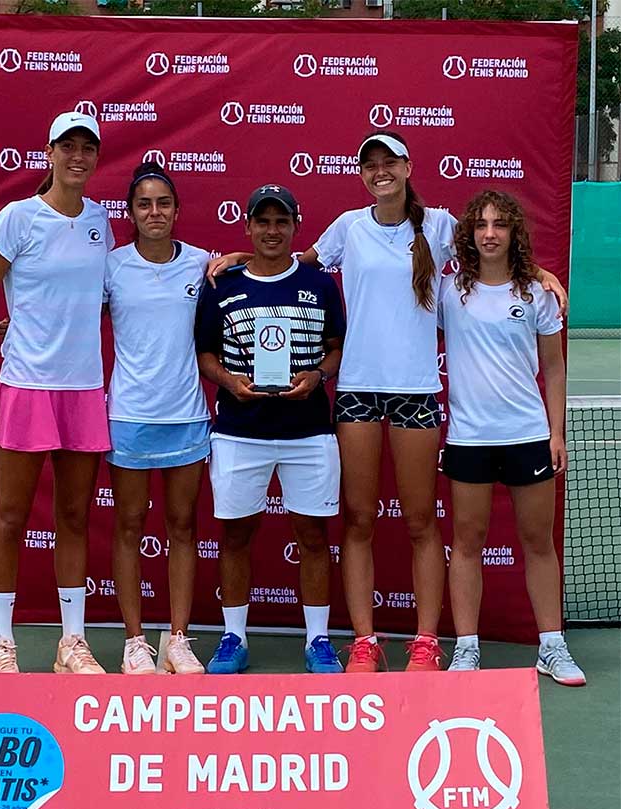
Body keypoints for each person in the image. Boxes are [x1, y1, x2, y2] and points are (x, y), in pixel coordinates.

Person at [208, 131, 568, 674]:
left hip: (416, 392)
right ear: (362, 174)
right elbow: (290, 262)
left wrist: (538, 272)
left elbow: (493, 251)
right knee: (358, 519)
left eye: (389, 162)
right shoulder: (348, 227)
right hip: (356, 390)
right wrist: (239, 257)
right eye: (370, 164)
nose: (380, 171)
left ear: (406, 168)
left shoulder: (441, 225)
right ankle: (363, 641)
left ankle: (426, 642)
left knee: (422, 521)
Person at [0, 111, 113, 674]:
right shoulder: (16, 218)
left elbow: (94, 299)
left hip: (82, 389)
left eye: (87, 148)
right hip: (24, 386)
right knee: (10, 516)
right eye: (68, 146)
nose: (78, 156)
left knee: (74, 516)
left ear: (96, 157)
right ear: (48, 153)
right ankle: (3, 641)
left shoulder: (101, 222)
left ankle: (71, 643)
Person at [196, 185, 346, 674]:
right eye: (263, 221)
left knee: (313, 536)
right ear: (248, 227)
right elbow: (206, 356)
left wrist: (319, 376)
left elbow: (335, 347)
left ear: (295, 227)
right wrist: (229, 383)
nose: (272, 230)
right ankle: (233, 637)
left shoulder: (321, 284)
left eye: (281, 222)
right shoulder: (221, 286)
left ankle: (318, 640)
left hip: (309, 430)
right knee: (236, 535)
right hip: (239, 430)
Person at [439, 190, 585, 686]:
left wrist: (555, 433)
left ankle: (552, 645)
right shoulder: (448, 292)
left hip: (527, 435)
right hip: (469, 438)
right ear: (469, 235)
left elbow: (554, 366)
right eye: (481, 225)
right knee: (467, 541)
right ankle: (465, 649)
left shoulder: (538, 294)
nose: (490, 233)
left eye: (500, 224)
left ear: (513, 233)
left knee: (538, 542)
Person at [103, 162, 210, 675]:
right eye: (143, 204)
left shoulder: (201, 263)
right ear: (130, 213)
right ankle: (133, 641)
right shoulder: (112, 266)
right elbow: (72, 309)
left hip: (187, 416)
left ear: (176, 210)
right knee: (127, 525)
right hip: (128, 416)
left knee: (183, 526)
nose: (154, 212)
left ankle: (178, 640)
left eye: (162, 203)